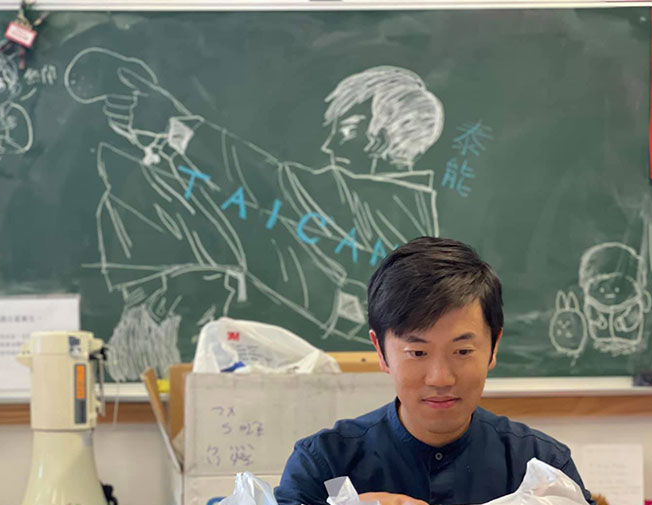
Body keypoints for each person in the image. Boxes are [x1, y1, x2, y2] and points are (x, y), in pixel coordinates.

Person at [276, 236, 652, 505]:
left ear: (493, 348)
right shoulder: (326, 461)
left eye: (462, 351)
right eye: (417, 353)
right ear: (381, 352)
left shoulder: (538, 463)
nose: (440, 377)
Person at [64, 50, 443, 378]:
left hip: (345, 384)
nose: (330, 144)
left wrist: (173, 125)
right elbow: (265, 212)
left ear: (385, 135)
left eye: (348, 129)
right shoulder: (382, 204)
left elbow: (271, 187)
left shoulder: (382, 208)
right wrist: (169, 140)